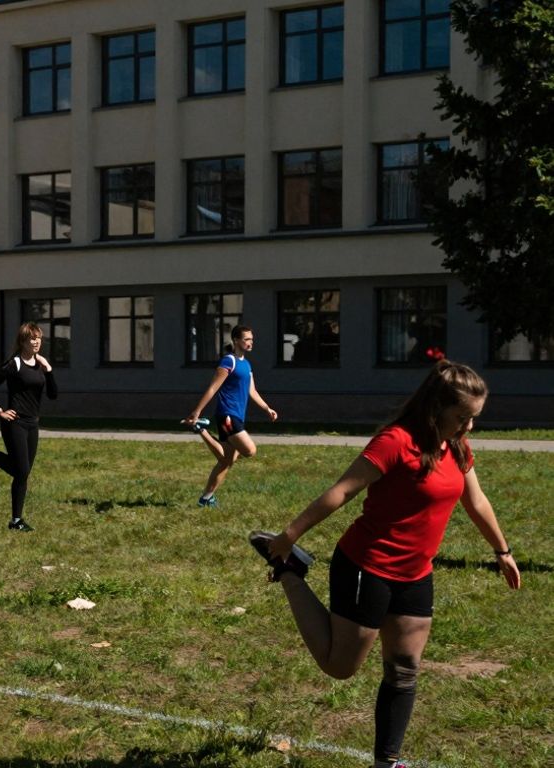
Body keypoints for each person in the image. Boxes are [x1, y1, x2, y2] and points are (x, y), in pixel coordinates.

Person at [249, 360, 520, 768]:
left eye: (474, 419)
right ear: (436, 408)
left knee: (405, 669)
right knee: (340, 666)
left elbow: (475, 501)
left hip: (416, 573)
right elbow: (342, 491)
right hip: (367, 566)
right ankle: (291, 574)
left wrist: (502, 551)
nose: (469, 427)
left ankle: (386, 762)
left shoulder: (457, 447)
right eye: (462, 417)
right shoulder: (396, 441)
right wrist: (289, 537)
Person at [182, 324, 277, 507]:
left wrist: (267, 408)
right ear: (236, 340)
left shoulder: (246, 364)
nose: (250, 342)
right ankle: (201, 428)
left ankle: (206, 498)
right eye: (246, 339)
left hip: (237, 416)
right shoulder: (229, 361)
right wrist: (197, 411)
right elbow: (213, 387)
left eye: (251, 339)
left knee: (226, 460)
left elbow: (252, 391)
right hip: (227, 415)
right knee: (250, 450)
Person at [0, 322, 57, 532]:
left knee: (22, 473)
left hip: (33, 424)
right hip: (14, 424)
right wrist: (0, 411)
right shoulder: (13, 364)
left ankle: (16, 520)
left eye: (39, 338)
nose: (37, 341)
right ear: (23, 341)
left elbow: (53, 394)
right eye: (32, 338)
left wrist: (48, 370)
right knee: (21, 471)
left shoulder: (40, 365)